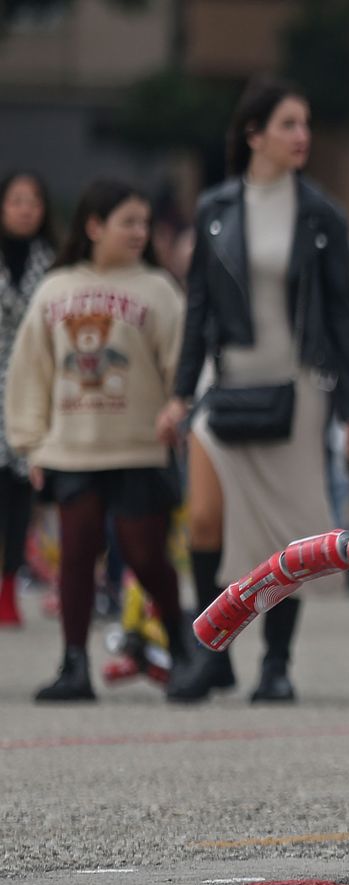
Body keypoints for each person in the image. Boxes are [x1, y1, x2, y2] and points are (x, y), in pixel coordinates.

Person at [162, 75, 349, 703]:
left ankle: (276, 664)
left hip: (301, 390)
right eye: (288, 124)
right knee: (204, 519)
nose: (301, 136)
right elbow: (197, 306)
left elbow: (340, 318)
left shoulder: (323, 214)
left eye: (305, 124)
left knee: (287, 537)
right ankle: (213, 652)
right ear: (253, 135)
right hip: (225, 380)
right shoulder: (215, 208)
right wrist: (178, 393)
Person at [3, 178, 190, 702]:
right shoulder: (55, 288)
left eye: (144, 224)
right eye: (127, 222)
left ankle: (181, 649)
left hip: (137, 446)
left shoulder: (157, 289)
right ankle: (74, 665)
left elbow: (182, 363)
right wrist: (31, 443)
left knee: (145, 554)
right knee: (77, 555)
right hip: (72, 447)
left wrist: (180, 406)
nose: (139, 232)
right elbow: (30, 371)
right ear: (93, 226)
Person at [0, 171, 57, 628]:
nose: (25, 209)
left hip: (30, 385)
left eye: (33, 200)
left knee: (21, 492)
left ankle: (9, 584)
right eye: (16, 200)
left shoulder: (52, 262)